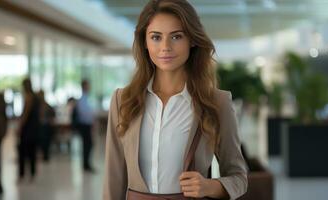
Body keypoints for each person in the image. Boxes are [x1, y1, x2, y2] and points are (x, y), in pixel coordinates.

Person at [103, 0, 248, 199]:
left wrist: (209, 186)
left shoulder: (217, 102)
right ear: (144, 42)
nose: (165, 47)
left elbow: (239, 177)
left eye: (176, 36)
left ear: (192, 40)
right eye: (156, 37)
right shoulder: (123, 100)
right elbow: (113, 180)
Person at [17, 78, 40, 182]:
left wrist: (20, 127)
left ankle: (22, 174)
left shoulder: (29, 97)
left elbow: (25, 115)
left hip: (28, 130)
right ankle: (32, 173)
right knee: (32, 152)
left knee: (23, 152)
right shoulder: (35, 97)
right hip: (34, 129)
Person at [76, 80, 95, 172]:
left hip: (87, 125)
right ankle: (86, 165)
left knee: (88, 145)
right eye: (88, 85)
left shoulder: (86, 98)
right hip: (84, 125)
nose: (89, 87)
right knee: (87, 145)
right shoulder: (82, 99)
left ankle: (86, 164)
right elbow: (84, 113)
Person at [37, 90, 55, 162]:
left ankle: (45, 155)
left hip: (46, 126)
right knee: (43, 141)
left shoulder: (46, 105)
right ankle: (44, 155)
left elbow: (52, 113)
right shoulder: (38, 105)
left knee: (46, 141)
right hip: (41, 126)